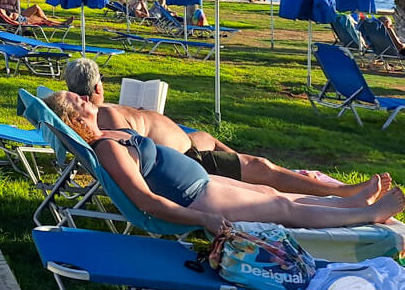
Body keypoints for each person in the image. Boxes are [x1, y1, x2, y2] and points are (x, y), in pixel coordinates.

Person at [43, 89, 403, 232]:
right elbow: (145, 201)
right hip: (195, 196)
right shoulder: (106, 149)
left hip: (200, 181)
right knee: (280, 207)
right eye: (72, 100)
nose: (79, 95)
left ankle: (347, 200)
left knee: (266, 189)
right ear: (75, 120)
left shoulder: (109, 134)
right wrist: (203, 219)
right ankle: (364, 214)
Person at [64, 58, 389, 200]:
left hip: (190, 145)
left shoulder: (101, 113)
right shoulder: (104, 114)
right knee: (260, 166)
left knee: (218, 143)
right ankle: (340, 192)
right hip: (188, 163)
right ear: (95, 89)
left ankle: (272, 173)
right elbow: (136, 150)